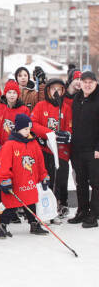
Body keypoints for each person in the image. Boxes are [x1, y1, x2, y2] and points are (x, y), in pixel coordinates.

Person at [0, 114, 50, 238]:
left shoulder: (33, 144)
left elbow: (40, 163)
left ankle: (34, 224)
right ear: (18, 128)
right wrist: (4, 179)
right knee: (10, 206)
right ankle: (2, 226)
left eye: (29, 129)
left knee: (31, 204)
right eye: (25, 129)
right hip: (15, 183)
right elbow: (2, 165)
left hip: (29, 182)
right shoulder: (9, 145)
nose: (28, 131)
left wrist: (44, 176)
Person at [30, 78, 72, 219]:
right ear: (48, 90)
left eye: (59, 89)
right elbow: (33, 123)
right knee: (46, 178)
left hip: (61, 151)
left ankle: (62, 203)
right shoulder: (41, 106)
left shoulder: (65, 107)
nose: (56, 91)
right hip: (45, 150)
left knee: (61, 179)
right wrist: (48, 134)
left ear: (62, 91)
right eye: (53, 88)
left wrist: (66, 134)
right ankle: (45, 205)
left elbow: (69, 127)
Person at [70, 71, 99, 228]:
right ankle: (82, 211)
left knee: (95, 183)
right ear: (80, 83)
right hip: (77, 150)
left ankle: (94, 215)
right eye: (84, 81)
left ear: (95, 83)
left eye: (91, 82)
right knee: (80, 182)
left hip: (93, 150)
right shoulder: (77, 98)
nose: (87, 85)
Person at [0, 80, 30, 150]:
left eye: (14, 93)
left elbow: (27, 129)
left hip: (17, 146)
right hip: (0, 146)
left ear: (18, 94)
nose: (12, 95)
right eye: (9, 92)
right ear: (5, 94)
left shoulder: (24, 110)